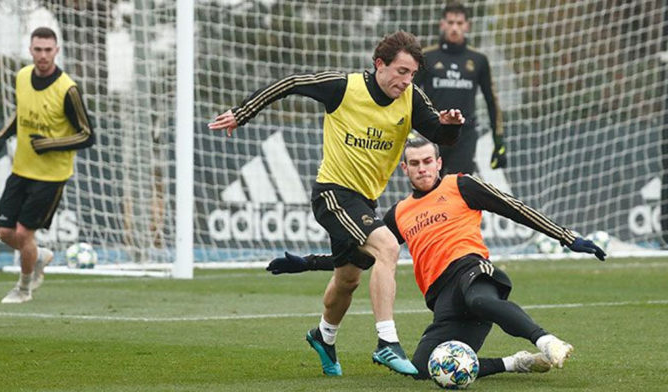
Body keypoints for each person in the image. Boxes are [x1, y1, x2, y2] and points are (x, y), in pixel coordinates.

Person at [208, 31, 465, 376]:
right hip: (332, 193)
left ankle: (323, 336)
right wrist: (243, 112)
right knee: (387, 246)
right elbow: (292, 82)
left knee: (348, 279)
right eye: (402, 71)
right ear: (379, 65)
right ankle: (387, 343)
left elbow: (441, 135)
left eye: (412, 74)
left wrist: (450, 127)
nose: (407, 81)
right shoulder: (344, 87)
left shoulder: (412, 99)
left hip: (364, 202)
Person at [267, 136, 606, 380]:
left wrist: (567, 237)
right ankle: (515, 363)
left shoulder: (461, 185)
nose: (422, 168)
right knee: (422, 368)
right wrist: (307, 263)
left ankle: (547, 341)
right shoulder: (398, 214)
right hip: (442, 298)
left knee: (478, 298)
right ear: (404, 168)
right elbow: (361, 260)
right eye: (414, 163)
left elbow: (515, 208)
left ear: (438, 162)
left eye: (428, 161)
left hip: (472, 270)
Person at [0, 27, 95, 304]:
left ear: (57, 51)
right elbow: (21, 114)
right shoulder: (23, 76)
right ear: (31, 50)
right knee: (3, 233)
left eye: (48, 50)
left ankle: (23, 289)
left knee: (24, 233)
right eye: (38, 49)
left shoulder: (67, 89)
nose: (43, 55)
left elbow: (87, 135)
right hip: (21, 168)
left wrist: (48, 143)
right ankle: (39, 256)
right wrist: (2, 136)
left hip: (51, 175)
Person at [414, 2, 506, 175]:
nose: (454, 28)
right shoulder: (427, 57)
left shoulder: (478, 60)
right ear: (442, 25)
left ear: (467, 26)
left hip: (465, 135)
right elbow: (409, 94)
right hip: (433, 133)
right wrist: (409, 129)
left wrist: (498, 140)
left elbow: (491, 100)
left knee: (460, 188)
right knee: (430, 189)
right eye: (450, 23)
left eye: (459, 23)